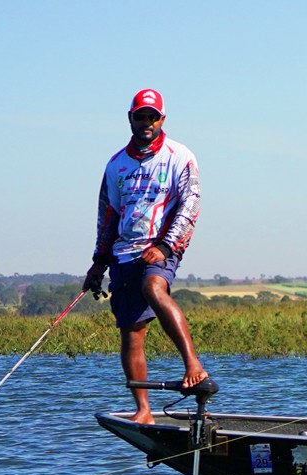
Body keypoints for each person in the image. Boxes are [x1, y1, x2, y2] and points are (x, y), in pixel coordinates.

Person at [81, 89, 208, 425]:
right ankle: (144, 409)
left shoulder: (180, 156)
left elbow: (191, 205)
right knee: (131, 331)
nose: (146, 123)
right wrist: (99, 260)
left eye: (153, 117)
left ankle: (193, 364)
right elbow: (108, 215)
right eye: (141, 116)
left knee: (154, 288)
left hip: (162, 247)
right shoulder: (116, 165)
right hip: (124, 253)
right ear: (131, 118)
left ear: (162, 119)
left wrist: (166, 246)